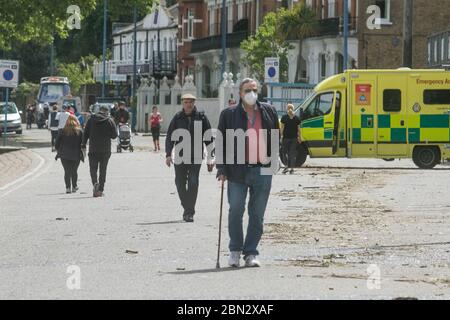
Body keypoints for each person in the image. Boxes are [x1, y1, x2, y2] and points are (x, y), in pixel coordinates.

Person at [216, 78, 279, 268]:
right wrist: (222, 168)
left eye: (254, 89)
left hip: (262, 168)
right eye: (247, 90)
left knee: (257, 214)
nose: (251, 93)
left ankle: (251, 252)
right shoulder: (229, 114)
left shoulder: (269, 111)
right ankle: (235, 250)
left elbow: (276, 136)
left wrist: (274, 159)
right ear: (240, 93)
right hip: (237, 170)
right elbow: (221, 142)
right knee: (236, 210)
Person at [165, 94, 214, 223]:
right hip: (180, 157)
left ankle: (189, 212)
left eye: (191, 102)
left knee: (193, 182)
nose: (188, 104)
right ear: (183, 103)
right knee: (179, 183)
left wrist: (211, 158)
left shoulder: (201, 118)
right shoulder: (177, 118)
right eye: (186, 102)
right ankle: (187, 207)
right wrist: (168, 154)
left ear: (194, 103)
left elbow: (209, 138)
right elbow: (170, 136)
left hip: (195, 156)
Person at [82, 105, 117, 198]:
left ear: (99, 111)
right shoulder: (110, 120)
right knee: (103, 170)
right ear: (106, 112)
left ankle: (95, 183)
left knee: (93, 169)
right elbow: (114, 135)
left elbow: (85, 133)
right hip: (105, 149)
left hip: (93, 148)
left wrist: (83, 144)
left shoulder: (91, 120)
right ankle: (101, 189)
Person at [55, 115, 83, 194]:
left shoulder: (62, 131)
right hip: (76, 153)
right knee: (74, 171)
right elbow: (83, 143)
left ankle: (68, 188)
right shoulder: (79, 131)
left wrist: (59, 150)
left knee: (67, 171)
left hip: (64, 154)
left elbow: (57, 143)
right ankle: (74, 186)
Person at [280, 104, 301, 174]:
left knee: (284, 153)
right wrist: (299, 138)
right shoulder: (297, 118)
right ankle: (292, 169)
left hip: (286, 138)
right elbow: (299, 130)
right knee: (292, 154)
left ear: (287, 109)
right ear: (293, 109)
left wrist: (281, 136)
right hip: (294, 138)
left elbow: (282, 128)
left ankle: (286, 167)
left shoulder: (284, 118)